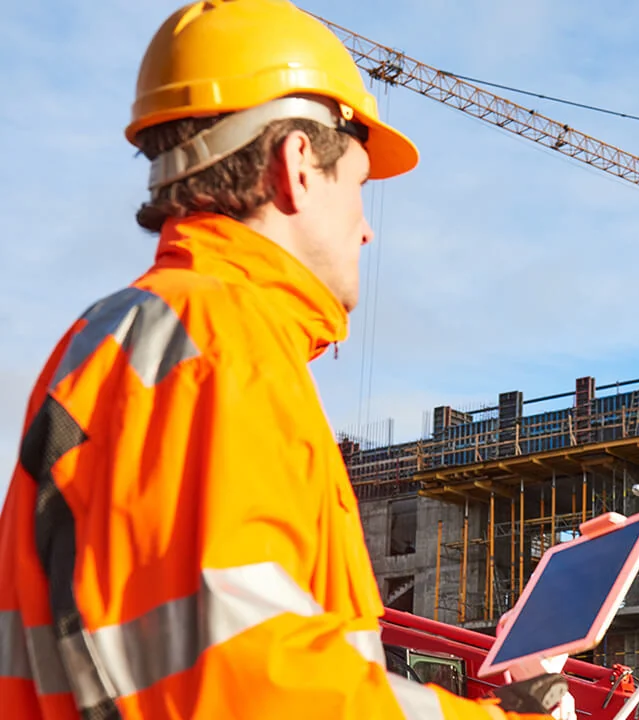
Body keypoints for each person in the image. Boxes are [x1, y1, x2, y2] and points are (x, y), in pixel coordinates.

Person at [0, 1, 566, 718]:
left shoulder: (115, 337)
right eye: (359, 187)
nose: (365, 230)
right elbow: (253, 685)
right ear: (298, 165)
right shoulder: (224, 342)